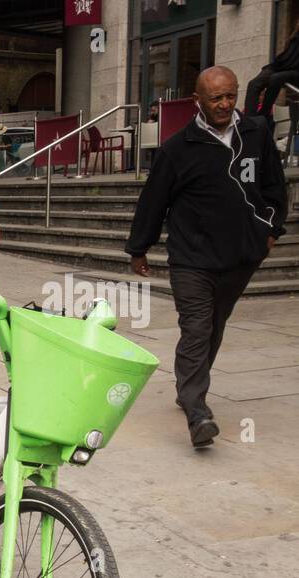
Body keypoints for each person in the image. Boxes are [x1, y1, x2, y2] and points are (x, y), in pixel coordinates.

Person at [127, 66, 287, 449]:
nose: (224, 104)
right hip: (192, 259)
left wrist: (271, 230)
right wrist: (139, 247)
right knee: (197, 327)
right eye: (216, 98)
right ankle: (197, 411)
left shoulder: (256, 134)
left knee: (215, 326)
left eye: (230, 96)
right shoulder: (177, 149)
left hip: (241, 256)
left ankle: (187, 390)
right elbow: (154, 202)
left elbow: (274, 188)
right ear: (197, 101)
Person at [243, 22, 299, 128]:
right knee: (254, 83)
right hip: (283, 65)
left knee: (276, 78)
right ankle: (249, 122)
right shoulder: (295, 36)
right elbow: (287, 55)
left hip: (296, 71)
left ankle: (264, 114)